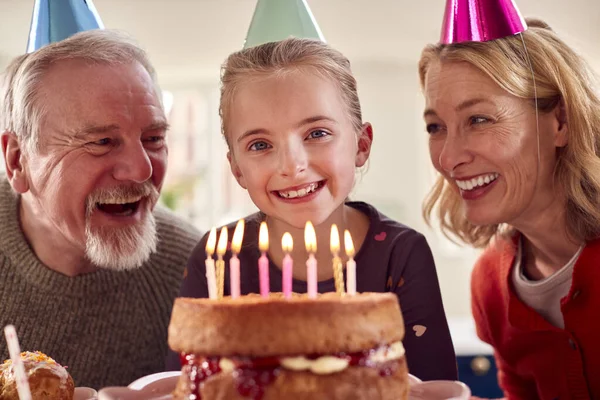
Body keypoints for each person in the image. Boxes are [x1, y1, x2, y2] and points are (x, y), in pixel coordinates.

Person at [166, 37, 458, 381]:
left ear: (361, 145)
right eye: (260, 144)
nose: (292, 165)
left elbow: (434, 387)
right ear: (237, 169)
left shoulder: (399, 253)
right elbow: (184, 383)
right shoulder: (218, 259)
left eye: (316, 133)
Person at [0, 30, 201, 389]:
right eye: (102, 142)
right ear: (18, 161)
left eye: (154, 139)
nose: (142, 170)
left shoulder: (190, 269)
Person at [420, 17, 600, 399]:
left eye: (479, 119)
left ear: (561, 122)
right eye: (436, 127)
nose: (448, 158)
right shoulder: (490, 284)